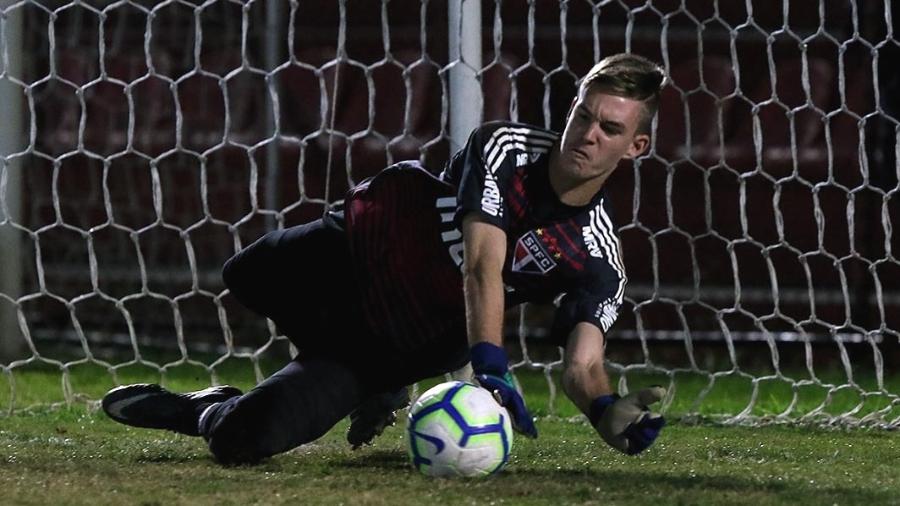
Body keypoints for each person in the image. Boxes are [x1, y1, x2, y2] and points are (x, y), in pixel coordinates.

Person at [101, 52, 668, 465]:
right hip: (359, 247)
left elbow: (582, 364)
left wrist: (603, 410)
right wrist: (491, 363)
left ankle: (202, 411)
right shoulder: (506, 146)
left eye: (610, 127)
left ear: (635, 146)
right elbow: (480, 267)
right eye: (583, 114)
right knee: (246, 272)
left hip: (399, 337)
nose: (587, 134)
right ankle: (372, 389)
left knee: (241, 442)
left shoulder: (599, 256)